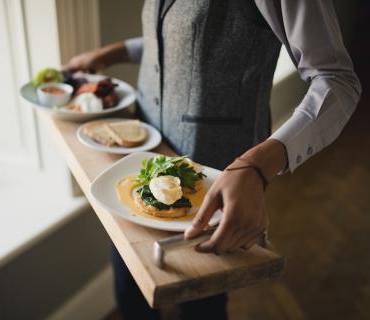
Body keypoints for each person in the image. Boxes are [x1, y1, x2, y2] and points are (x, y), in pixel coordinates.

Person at [64, 0, 361, 319]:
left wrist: (258, 165)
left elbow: (337, 81)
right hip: (141, 162)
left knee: (201, 306)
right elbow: (177, 37)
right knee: (130, 294)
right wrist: (110, 54)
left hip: (215, 178)